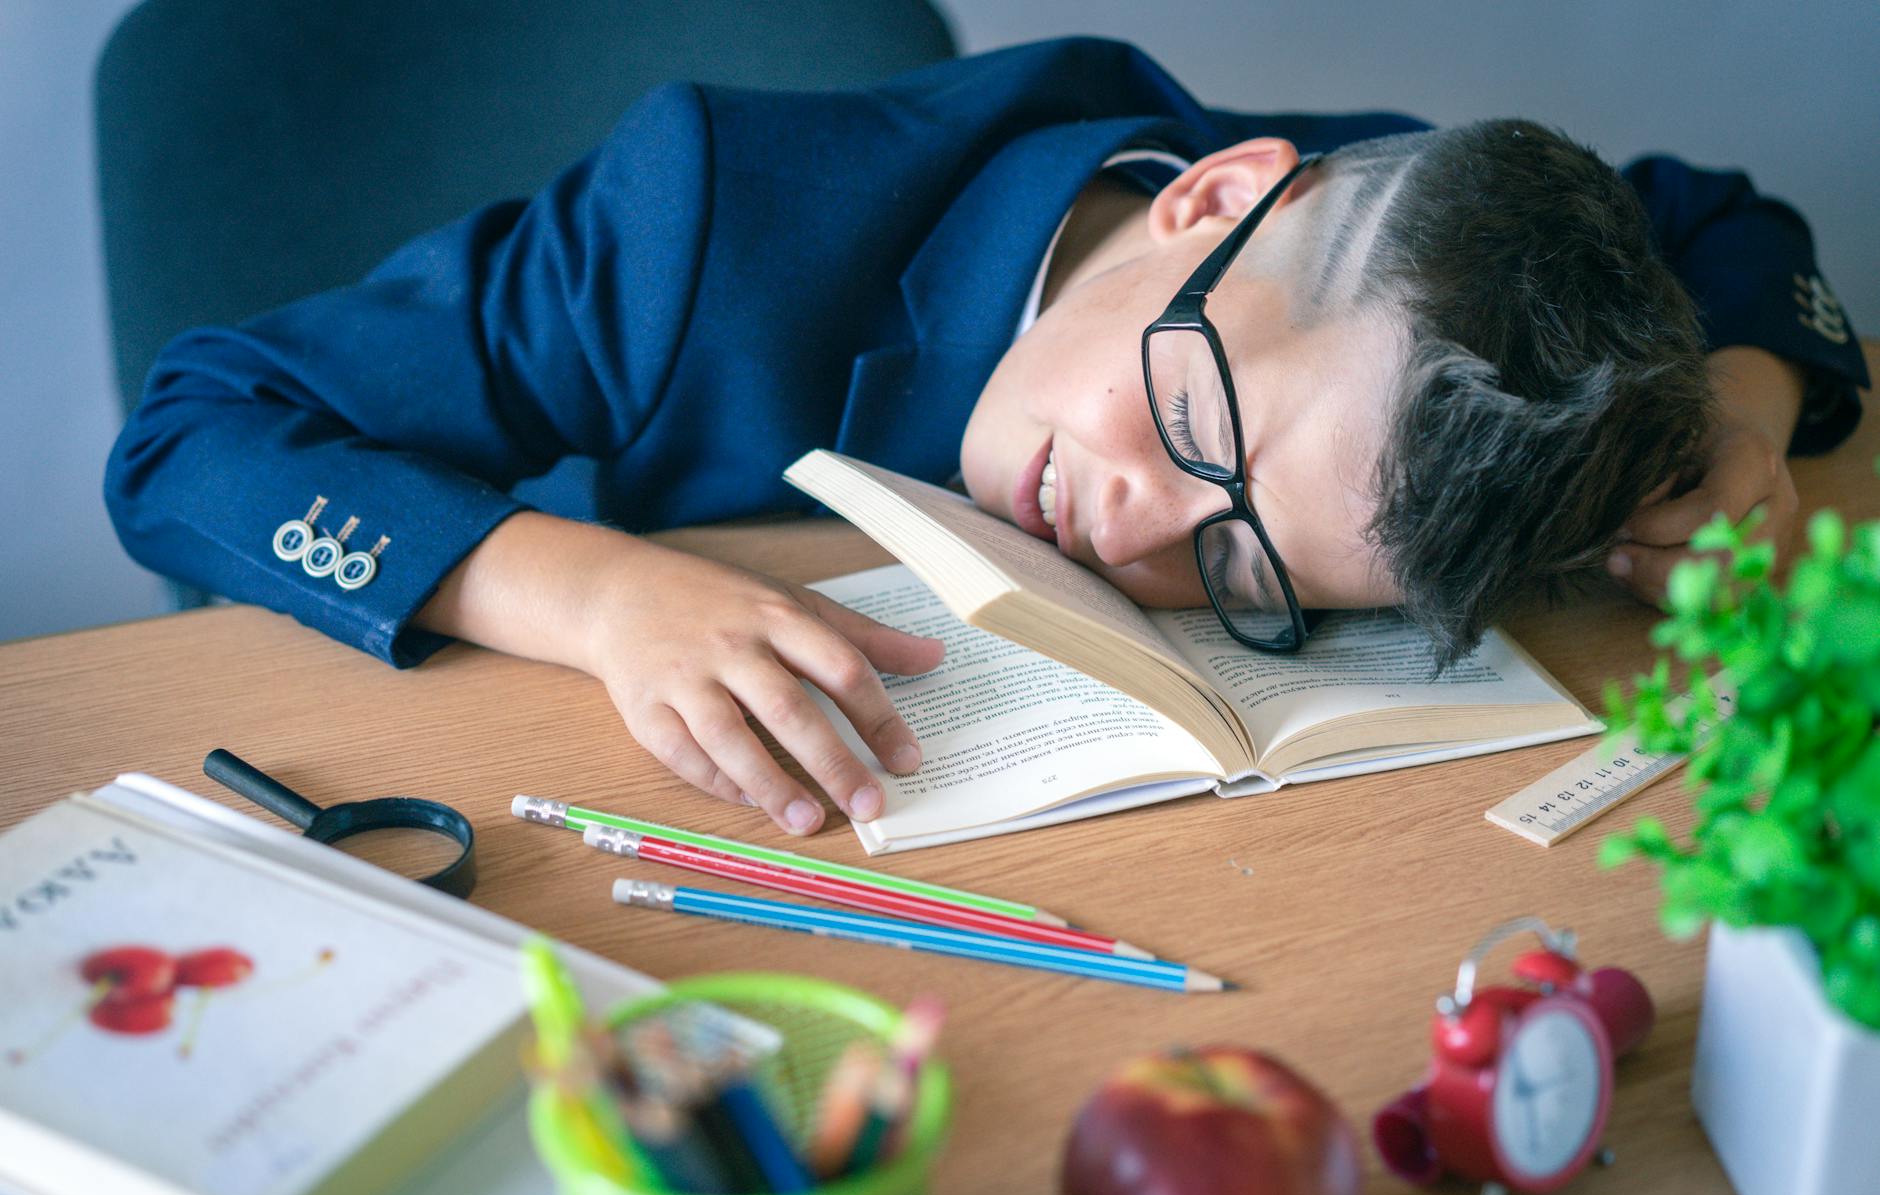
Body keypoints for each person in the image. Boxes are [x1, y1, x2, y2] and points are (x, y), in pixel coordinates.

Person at [105, 38, 1867, 838]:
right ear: (1212, 200)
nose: (1135, 532)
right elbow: (189, 434)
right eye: (1191, 415)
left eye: (1243, 567)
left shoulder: (1440, 264)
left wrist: (1740, 405)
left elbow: (1705, 215)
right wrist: (593, 598)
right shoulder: (695, 226)